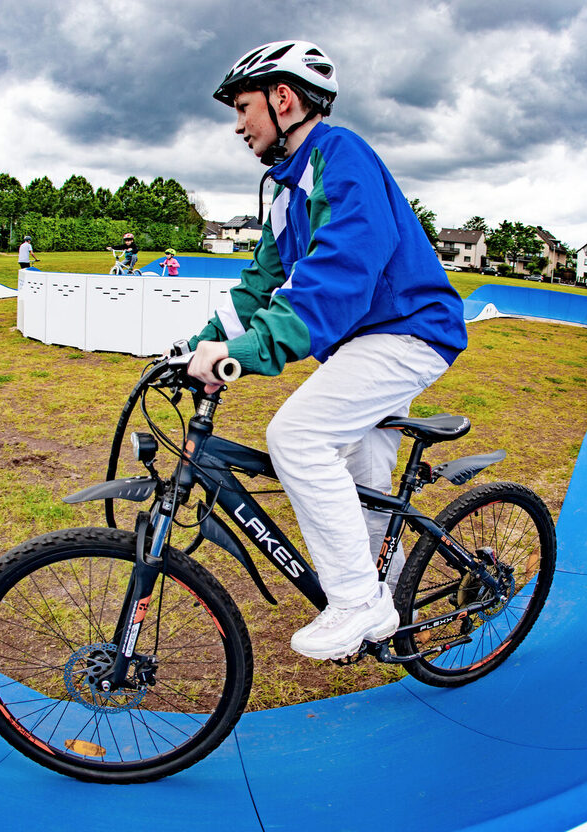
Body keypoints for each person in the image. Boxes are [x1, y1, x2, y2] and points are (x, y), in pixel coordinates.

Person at [185, 40, 468, 662]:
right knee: (361, 480)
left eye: (242, 107)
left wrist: (249, 351)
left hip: (407, 332)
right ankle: (385, 603)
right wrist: (193, 347)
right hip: (362, 344)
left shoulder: (342, 157)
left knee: (298, 437)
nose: (238, 124)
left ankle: (358, 603)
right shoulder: (288, 191)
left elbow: (338, 276)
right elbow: (258, 287)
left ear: (282, 99)